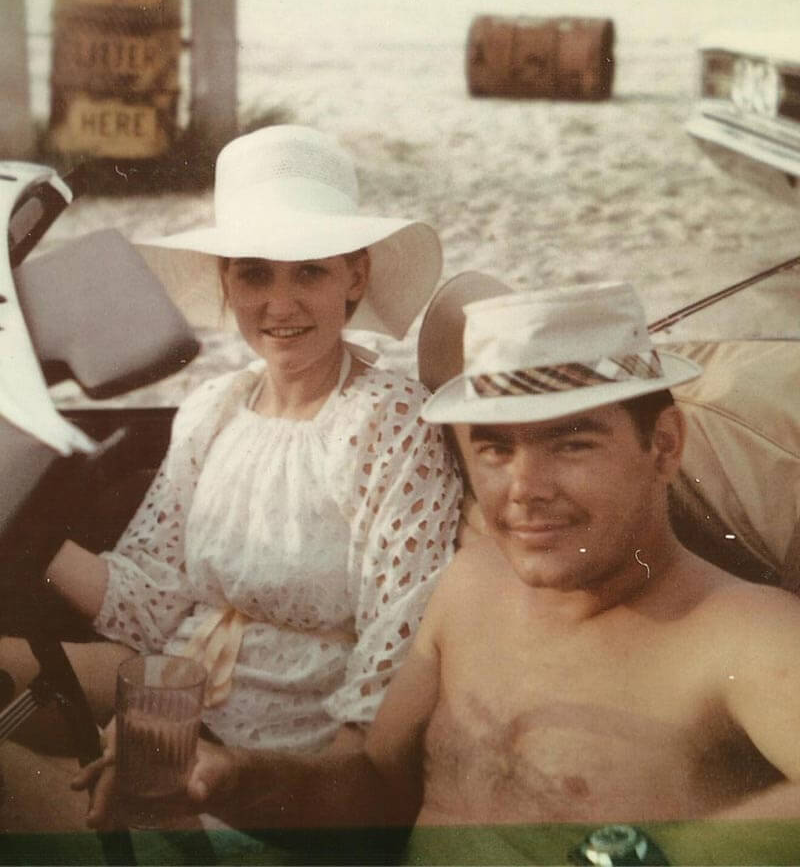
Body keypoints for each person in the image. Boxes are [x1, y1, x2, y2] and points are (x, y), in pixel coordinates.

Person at [83, 273, 800, 836]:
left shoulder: (741, 633)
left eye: (572, 443)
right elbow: (374, 796)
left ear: (664, 446)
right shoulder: (469, 586)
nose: (523, 490)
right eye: (494, 448)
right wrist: (232, 779)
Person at [0, 125, 461, 832]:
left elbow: (395, 647)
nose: (280, 304)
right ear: (225, 281)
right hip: (175, 690)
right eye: (254, 273)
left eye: (309, 270)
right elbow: (152, 604)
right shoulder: (215, 407)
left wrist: (336, 800)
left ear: (355, 277)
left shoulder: (387, 421)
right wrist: (27, 538)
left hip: (289, 753)